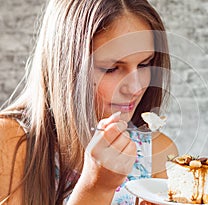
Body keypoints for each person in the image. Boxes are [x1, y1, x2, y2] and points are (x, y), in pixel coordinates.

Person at [0, 0, 178, 204]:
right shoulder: (8, 143)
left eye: (144, 64)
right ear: (66, 68)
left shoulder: (157, 153)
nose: (135, 87)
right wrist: (96, 187)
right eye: (111, 69)